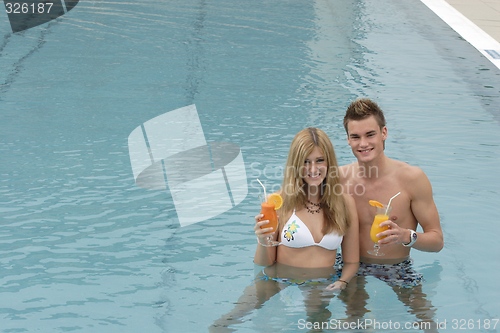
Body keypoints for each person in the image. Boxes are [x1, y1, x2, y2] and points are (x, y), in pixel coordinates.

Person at [210, 127, 359, 332]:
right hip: (277, 281)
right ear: (295, 165)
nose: (313, 168)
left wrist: (342, 281)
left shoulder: (344, 203)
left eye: (319, 160)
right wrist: (263, 239)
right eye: (305, 162)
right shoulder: (279, 202)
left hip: (321, 286)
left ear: (329, 163)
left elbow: (352, 261)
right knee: (225, 324)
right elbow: (264, 262)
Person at [339, 98, 444, 330]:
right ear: (348, 139)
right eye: (355, 137)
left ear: (384, 132)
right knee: (346, 324)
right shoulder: (340, 179)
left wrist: (407, 236)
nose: (363, 143)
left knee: (428, 324)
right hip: (351, 266)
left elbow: (437, 241)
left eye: (370, 134)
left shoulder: (412, 179)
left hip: (398, 268)